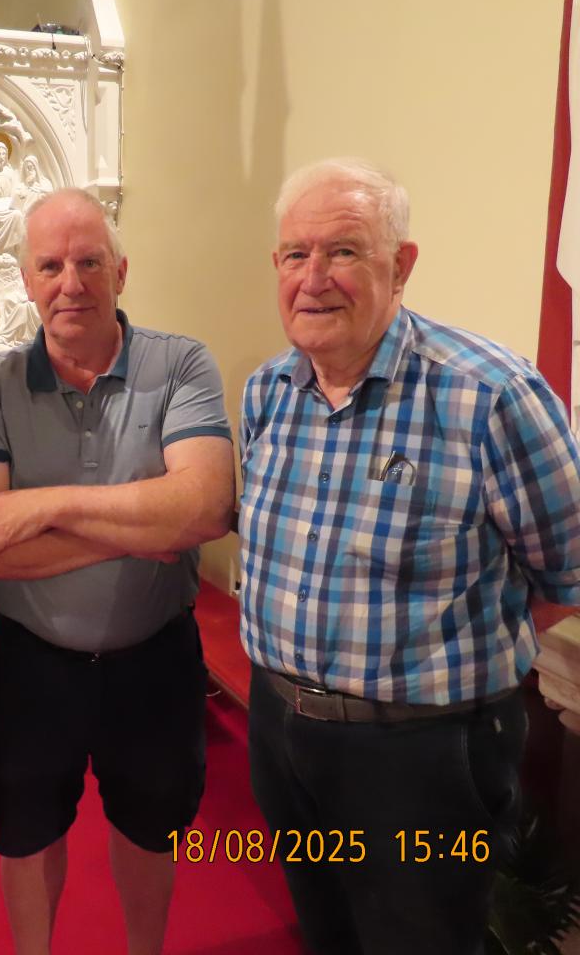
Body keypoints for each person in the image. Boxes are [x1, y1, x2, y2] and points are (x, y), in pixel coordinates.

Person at [238, 157, 580, 955]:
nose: (314, 278)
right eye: (296, 254)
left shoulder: (489, 395)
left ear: (401, 266)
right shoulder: (267, 392)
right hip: (281, 730)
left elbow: (567, 571)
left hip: (422, 760)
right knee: (324, 933)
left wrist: (446, 663)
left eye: (344, 251)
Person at [0, 187, 234, 955]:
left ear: (121, 271)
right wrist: (135, 531)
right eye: (50, 266)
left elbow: (205, 506)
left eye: (89, 263)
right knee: (26, 831)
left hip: (155, 659)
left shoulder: (181, 363)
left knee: (151, 827)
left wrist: (41, 508)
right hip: (33, 664)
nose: (70, 283)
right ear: (26, 281)